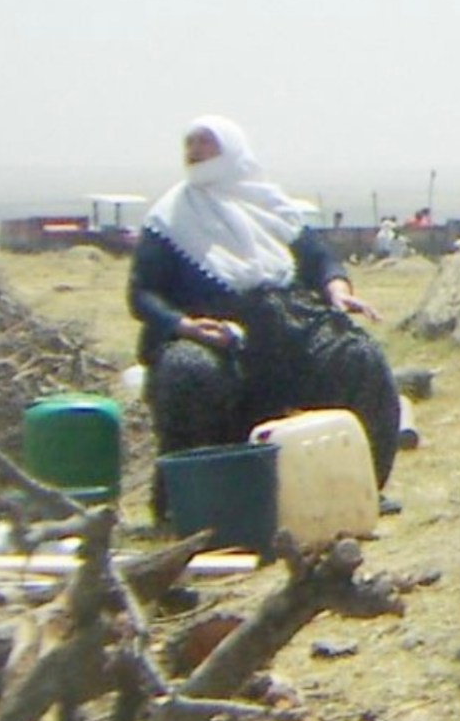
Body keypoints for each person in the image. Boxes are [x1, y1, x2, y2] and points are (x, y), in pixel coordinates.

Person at [128, 115, 401, 519]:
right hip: (213, 333)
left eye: (206, 143)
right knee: (189, 371)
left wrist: (338, 290)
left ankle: (357, 488)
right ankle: (193, 502)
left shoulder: (271, 205)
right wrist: (184, 325)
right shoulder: (169, 217)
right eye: (191, 144)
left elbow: (320, 259)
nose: (196, 152)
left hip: (288, 324)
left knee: (358, 357)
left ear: (231, 149)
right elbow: (142, 293)